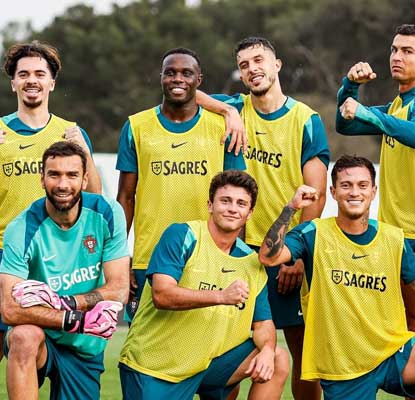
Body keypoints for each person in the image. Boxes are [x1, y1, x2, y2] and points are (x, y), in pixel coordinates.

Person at [258, 155, 415, 400]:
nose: (354, 192)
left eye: (362, 185)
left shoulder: (393, 238)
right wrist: (292, 207)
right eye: (346, 185)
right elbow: (268, 256)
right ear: (334, 191)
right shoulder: (313, 233)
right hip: (344, 367)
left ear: (373, 191)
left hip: (392, 350)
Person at [196, 36, 330, 400]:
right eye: (244, 65)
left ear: (277, 65)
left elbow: (315, 192)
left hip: (287, 250)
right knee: (237, 347)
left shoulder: (306, 119)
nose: (252, 69)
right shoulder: (235, 106)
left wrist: (298, 254)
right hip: (240, 250)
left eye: (259, 60)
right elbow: (185, 91)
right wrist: (228, 112)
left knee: (303, 354)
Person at [335, 25, 415, 398]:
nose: (396, 57)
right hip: (394, 240)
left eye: (408, 51)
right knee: (408, 335)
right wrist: (350, 87)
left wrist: (368, 115)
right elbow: (344, 121)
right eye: (394, 50)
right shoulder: (397, 106)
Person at [119, 170, 288, 399]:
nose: (232, 208)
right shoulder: (182, 235)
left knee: (277, 357)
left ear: (249, 213)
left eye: (241, 203)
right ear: (210, 205)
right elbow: (162, 295)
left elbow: (263, 324)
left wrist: (267, 350)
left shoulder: (251, 262)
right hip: (156, 368)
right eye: (225, 200)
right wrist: (221, 296)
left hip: (208, 367)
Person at [116, 47, 245, 320]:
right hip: (148, 256)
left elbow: (238, 197)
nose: (178, 79)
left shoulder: (224, 127)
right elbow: (126, 198)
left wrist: (236, 260)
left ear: (199, 81)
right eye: (170, 73)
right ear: (160, 77)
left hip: (208, 253)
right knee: (145, 344)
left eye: (186, 73)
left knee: (203, 345)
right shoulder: (136, 127)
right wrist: (119, 260)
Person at [0, 141, 129, 399]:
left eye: (71, 175)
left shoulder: (108, 213)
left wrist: (68, 302)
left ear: (84, 179)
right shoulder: (21, 228)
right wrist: (72, 318)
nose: (62, 184)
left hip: (85, 347)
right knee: (23, 336)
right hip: (42, 336)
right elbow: (9, 309)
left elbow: (119, 289)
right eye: (54, 174)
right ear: (42, 179)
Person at [0, 41, 103, 351]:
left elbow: (95, 196)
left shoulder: (70, 132)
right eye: (24, 74)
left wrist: (84, 150)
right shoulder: (0, 133)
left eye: (40, 73)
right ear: (13, 82)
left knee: (43, 348)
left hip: (58, 261)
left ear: (52, 83)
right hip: (6, 253)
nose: (32, 80)